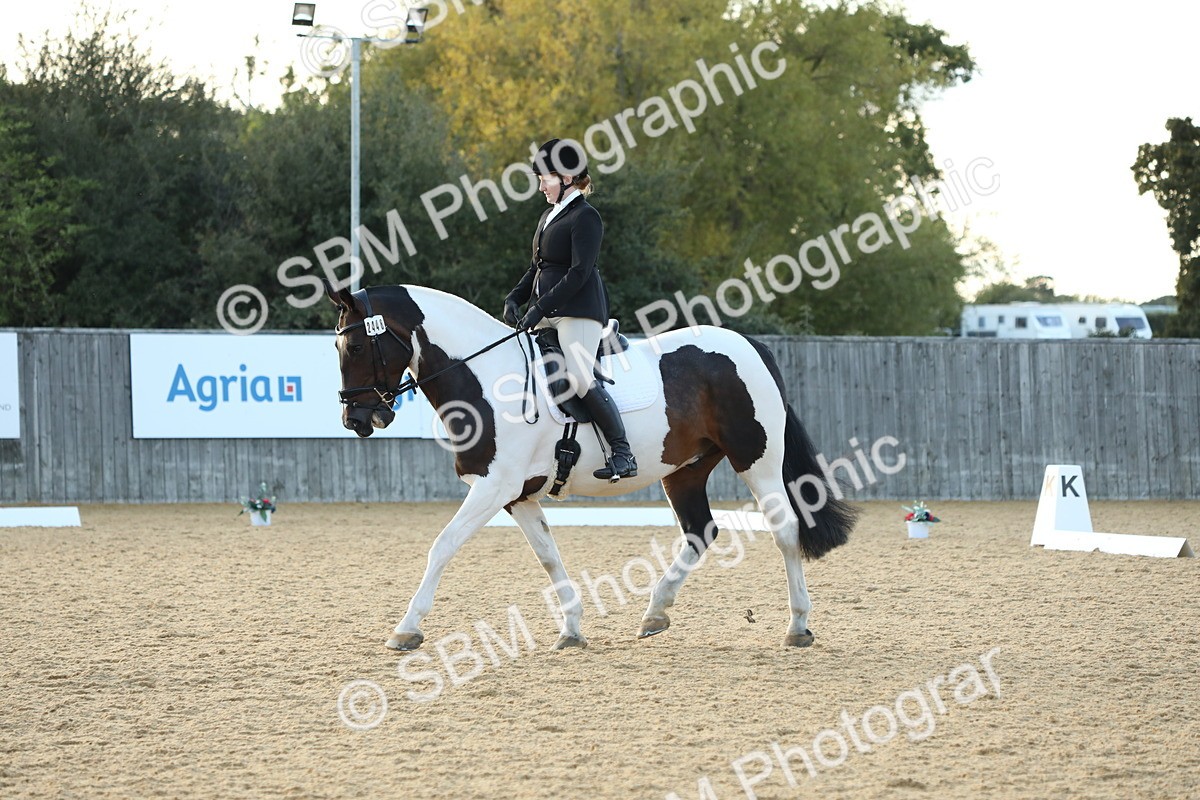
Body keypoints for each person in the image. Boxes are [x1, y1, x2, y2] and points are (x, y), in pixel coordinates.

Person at [503, 138, 637, 481]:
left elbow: (579, 272)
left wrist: (539, 309)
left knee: (578, 376)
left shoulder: (586, 217)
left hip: (578, 311)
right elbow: (537, 267)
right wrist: (515, 299)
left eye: (543, 179)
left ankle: (623, 452)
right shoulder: (549, 216)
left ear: (565, 177)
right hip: (547, 309)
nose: (540, 187)